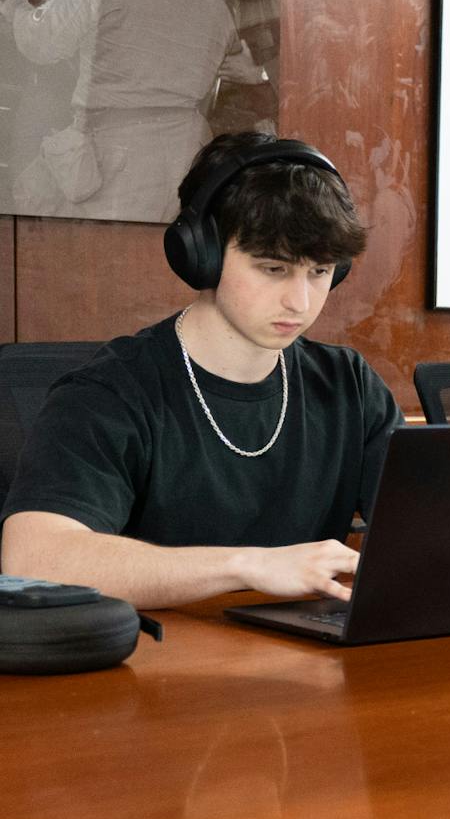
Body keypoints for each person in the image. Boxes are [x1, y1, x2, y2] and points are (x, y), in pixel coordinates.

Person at [1, 133, 403, 611]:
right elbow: (34, 557)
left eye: (319, 273)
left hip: (308, 663)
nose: (301, 302)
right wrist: (244, 565)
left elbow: (433, 526)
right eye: (274, 269)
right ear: (202, 256)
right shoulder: (110, 393)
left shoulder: (350, 386)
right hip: (151, 665)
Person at [0, 0, 266, 222]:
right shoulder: (216, 6)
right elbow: (229, 64)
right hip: (187, 159)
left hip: (114, 158)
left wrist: (15, 6)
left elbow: (41, 45)